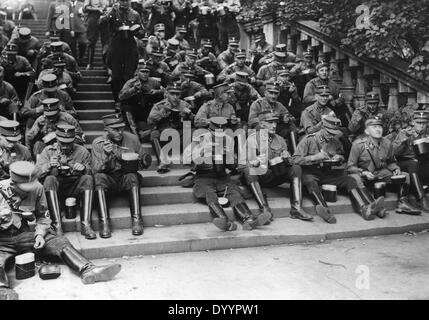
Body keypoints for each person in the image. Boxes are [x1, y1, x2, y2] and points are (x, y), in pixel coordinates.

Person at [0, 161, 121, 300]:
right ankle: (3, 290)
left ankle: (88, 270)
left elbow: (43, 218)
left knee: (57, 240)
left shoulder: (37, 188)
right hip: (2, 241)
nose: (28, 190)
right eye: (24, 187)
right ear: (13, 183)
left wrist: (39, 234)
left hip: (23, 235)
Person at [292, 116, 379, 223]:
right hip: (309, 172)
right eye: (329, 132)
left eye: (334, 133)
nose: (331, 136)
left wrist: (339, 158)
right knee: (311, 182)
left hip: (326, 172)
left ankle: (364, 208)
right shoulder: (309, 139)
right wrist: (314, 157)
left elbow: (342, 156)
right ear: (322, 128)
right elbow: (294, 160)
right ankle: (326, 211)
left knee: (350, 180)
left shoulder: (335, 141)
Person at [190, 116, 270, 231]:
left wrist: (229, 156)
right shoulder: (200, 139)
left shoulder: (228, 140)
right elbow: (192, 165)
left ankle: (248, 220)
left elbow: (233, 168)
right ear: (210, 130)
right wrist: (203, 151)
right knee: (209, 194)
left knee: (234, 193)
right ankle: (223, 220)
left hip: (222, 177)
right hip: (204, 177)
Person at [240, 112, 313, 222]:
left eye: (275, 122)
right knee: (248, 170)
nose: (274, 125)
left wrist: (287, 158)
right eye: (270, 122)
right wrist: (253, 162)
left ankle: (296, 208)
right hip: (260, 177)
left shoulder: (280, 139)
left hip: (276, 175)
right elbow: (241, 166)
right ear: (262, 124)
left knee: (296, 168)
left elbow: (290, 161)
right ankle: (264, 209)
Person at [347, 116, 422, 217]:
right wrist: (363, 172)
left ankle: (402, 203)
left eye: (380, 127)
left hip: (381, 173)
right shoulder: (358, 145)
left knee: (405, 176)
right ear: (367, 131)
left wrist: (395, 168)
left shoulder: (387, 143)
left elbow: (391, 162)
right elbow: (350, 167)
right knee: (354, 178)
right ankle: (369, 206)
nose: (378, 129)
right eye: (374, 127)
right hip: (364, 176)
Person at [91, 114, 152, 237]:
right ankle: (104, 223)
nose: (119, 132)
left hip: (126, 176)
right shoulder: (98, 143)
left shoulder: (132, 139)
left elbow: (144, 161)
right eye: (115, 129)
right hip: (109, 178)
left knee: (133, 176)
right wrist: (106, 155)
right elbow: (96, 170)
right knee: (98, 178)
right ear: (106, 130)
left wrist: (142, 160)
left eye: (121, 128)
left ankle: (137, 220)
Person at [35, 124, 95, 239]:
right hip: (56, 190)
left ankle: (86, 225)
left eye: (69, 143)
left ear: (74, 140)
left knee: (88, 179)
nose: (66, 146)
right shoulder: (48, 151)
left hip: (74, 187)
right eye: (62, 143)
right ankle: (57, 225)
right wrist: (48, 166)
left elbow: (92, 175)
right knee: (49, 179)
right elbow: (36, 175)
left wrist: (84, 168)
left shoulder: (82, 151)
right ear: (57, 139)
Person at [99, 0, 143, 102]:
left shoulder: (135, 14)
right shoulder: (113, 12)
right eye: (122, 1)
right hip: (116, 45)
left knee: (128, 76)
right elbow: (101, 22)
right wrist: (111, 12)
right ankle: (117, 101)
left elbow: (142, 31)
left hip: (130, 46)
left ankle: (126, 102)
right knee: (115, 77)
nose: (124, 3)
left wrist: (136, 31)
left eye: (127, 1)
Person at [147, 82, 195, 173]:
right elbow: (150, 122)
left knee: (195, 132)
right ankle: (162, 162)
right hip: (165, 135)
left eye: (177, 94)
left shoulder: (185, 105)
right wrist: (163, 111)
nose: (175, 97)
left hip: (180, 135)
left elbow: (195, 121)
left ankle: (192, 158)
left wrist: (189, 115)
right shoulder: (159, 105)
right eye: (172, 94)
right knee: (154, 134)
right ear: (167, 94)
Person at [391, 110, 429, 212]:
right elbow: (394, 153)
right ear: (413, 122)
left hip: (420, 164)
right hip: (404, 163)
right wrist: (404, 139)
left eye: (424, 123)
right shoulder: (405, 133)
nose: (421, 126)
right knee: (413, 163)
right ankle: (421, 198)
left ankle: (422, 186)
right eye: (418, 123)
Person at [118, 59, 164, 141]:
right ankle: (136, 134)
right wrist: (133, 89)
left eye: (147, 72)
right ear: (137, 72)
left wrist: (157, 91)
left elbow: (166, 92)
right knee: (126, 108)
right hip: (134, 108)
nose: (145, 74)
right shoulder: (131, 82)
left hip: (148, 109)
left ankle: (151, 131)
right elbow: (121, 96)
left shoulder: (154, 82)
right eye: (143, 72)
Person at [248, 81, 297, 150]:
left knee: (292, 127)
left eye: (276, 93)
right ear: (265, 93)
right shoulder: (257, 104)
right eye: (271, 93)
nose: (273, 96)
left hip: (275, 129)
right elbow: (250, 122)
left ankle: (294, 152)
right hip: (262, 131)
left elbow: (292, 118)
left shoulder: (279, 105)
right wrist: (264, 117)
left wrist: (286, 119)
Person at [83, 0, 110, 69]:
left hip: (105, 17)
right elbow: (85, 8)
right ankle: (89, 63)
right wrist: (97, 9)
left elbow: (112, 5)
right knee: (91, 41)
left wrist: (107, 10)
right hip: (93, 17)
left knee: (106, 41)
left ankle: (106, 64)